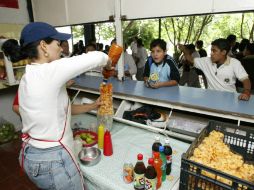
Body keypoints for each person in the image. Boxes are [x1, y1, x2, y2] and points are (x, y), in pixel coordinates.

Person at [1, 22, 111, 190]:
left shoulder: (27, 77)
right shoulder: (49, 71)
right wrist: (109, 63)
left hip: (31, 155)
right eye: (58, 44)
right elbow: (98, 57)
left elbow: (60, 111)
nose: (61, 49)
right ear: (43, 46)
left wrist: (93, 106)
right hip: (53, 161)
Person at [178, 38, 251, 101]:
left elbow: (245, 80)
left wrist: (246, 92)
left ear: (223, 52)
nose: (211, 53)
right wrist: (184, 50)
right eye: (211, 50)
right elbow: (191, 59)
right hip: (211, 98)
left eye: (214, 51)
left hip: (229, 99)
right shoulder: (206, 61)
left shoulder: (235, 63)